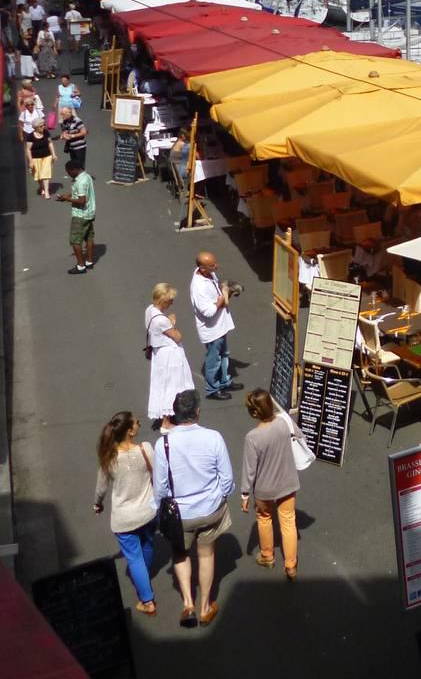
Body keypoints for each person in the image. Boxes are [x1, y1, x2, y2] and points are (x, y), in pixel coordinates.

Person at [152, 390, 234, 627]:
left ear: (175, 415)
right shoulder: (214, 438)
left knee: (179, 554)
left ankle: (188, 603)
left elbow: (160, 487)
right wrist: (217, 496)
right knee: (206, 554)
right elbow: (227, 479)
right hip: (209, 509)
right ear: (197, 411)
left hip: (180, 514)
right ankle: (206, 606)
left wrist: (161, 509)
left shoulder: (163, 444)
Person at [92, 411, 159, 617]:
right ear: (130, 431)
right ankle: (144, 576)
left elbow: (101, 488)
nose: (140, 424)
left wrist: (97, 504)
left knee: (134, 558)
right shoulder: (146, 449)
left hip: (124, 518)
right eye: (137, 422)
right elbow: (158, 474)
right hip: (149, 511)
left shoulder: (109, 458)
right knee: (147, 544)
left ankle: (147, 601)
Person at [240, 389, 306, 579]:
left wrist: (245, 494)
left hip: (264, 489)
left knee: (264, 518)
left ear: (254, 413)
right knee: (288, 522)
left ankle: (267, 555)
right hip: (287, 482)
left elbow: (249, 469)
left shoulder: (253, 437)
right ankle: (291, 565)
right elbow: (301, 437)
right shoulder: (284, 422)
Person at [145, 283, 194, 431]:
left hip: (159, 354)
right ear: (163, 300)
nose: (172, 303)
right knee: (172, 386)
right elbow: (178, 337)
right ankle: (167, 422)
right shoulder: (162, 320)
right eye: (170, 300)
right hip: (169, 356)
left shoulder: (149, 310)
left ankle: (166, 417)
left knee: (162, 385)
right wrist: (172, 323)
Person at [190, 252, 238, 400]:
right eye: (212, 266)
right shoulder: (199, 288)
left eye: (215, 263)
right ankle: (212, 389)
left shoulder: (208, 274)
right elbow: (208, 311)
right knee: (214, 359)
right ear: (202, 269)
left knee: (224, 355)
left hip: (220, 325)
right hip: (212, 329)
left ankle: (224, 380)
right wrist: (223, 298)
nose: (216, 266)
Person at [61, 159, 96, 273]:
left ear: (74, 170)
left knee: (75, 241)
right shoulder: (87, 177)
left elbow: (81, 201)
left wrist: (67, 199)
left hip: (80, 215)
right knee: (89, 237)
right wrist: (68, 196)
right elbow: (82, 193)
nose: (68, 174)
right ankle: (89, 261)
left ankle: (81, 266)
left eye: (69, 172)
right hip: (90, 213)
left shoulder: (80, 182)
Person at [28, 124, 55, 197]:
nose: (43, 127)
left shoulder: (46, 133)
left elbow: (50, 143)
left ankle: (46, 191)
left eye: (44, 125)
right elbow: (28, 149)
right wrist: (30, 161)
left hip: (47, 156)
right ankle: (42, 187)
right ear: (36, 127)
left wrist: (53, 154)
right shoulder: (30, 136)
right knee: (38, 175)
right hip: (35, 158)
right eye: (41, 126)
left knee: (46, 174)